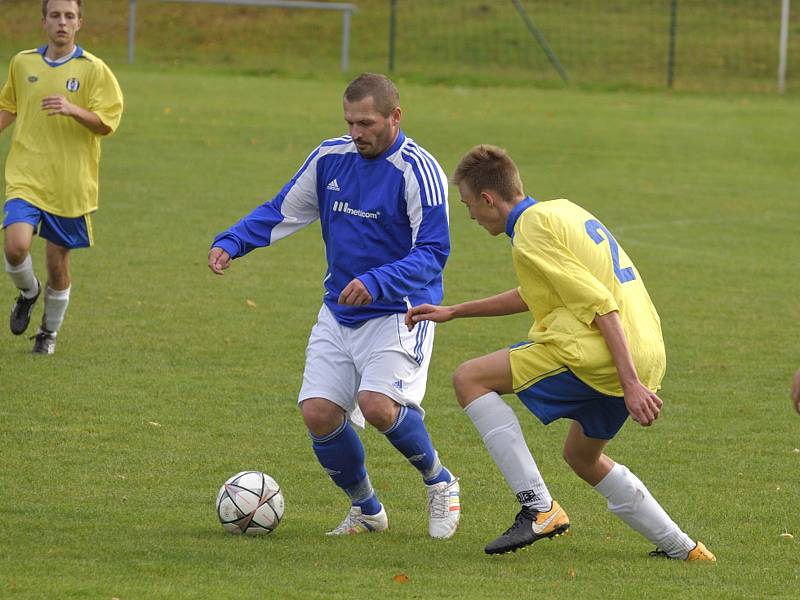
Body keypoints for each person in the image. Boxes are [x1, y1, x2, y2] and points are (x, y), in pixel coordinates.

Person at [406, 144, 715, 561]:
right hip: (645, 350)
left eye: (468, 206)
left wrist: (629, 385)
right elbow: (538, 292)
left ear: (488, 199)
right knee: (582, 457)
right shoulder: (561, 211)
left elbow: (600, 304)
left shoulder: (531, 232)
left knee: (469, 378)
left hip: (603, 354)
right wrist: (455, 311)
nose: (470, 217)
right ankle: (684, 548)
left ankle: (538, 508)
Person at [208, 73, 460, 539]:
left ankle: (440, 481)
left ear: (395, 117)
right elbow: (284, 209)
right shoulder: (330, 158)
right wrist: (233, 241)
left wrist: (377, 280)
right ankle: (367, 510)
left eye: (366, 123)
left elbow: (433, 253)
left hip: (400, 312)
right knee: (319, 413)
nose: (356, 133)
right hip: (339, 310)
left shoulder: (419, 171)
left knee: (378, 405)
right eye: (350, 122)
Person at [1, 0, 123, 354]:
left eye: (69, 16)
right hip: (26, 174)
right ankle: (27, 292)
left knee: (58, 264)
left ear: (79, 23)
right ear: (44, 22)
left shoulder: (94, 70)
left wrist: (72, 109)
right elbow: (9, 107)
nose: (62, 22)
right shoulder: (22, 63)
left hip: (70, 183)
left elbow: (106, 123)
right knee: (15, 245)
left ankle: (48, 332)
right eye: (55, 15)